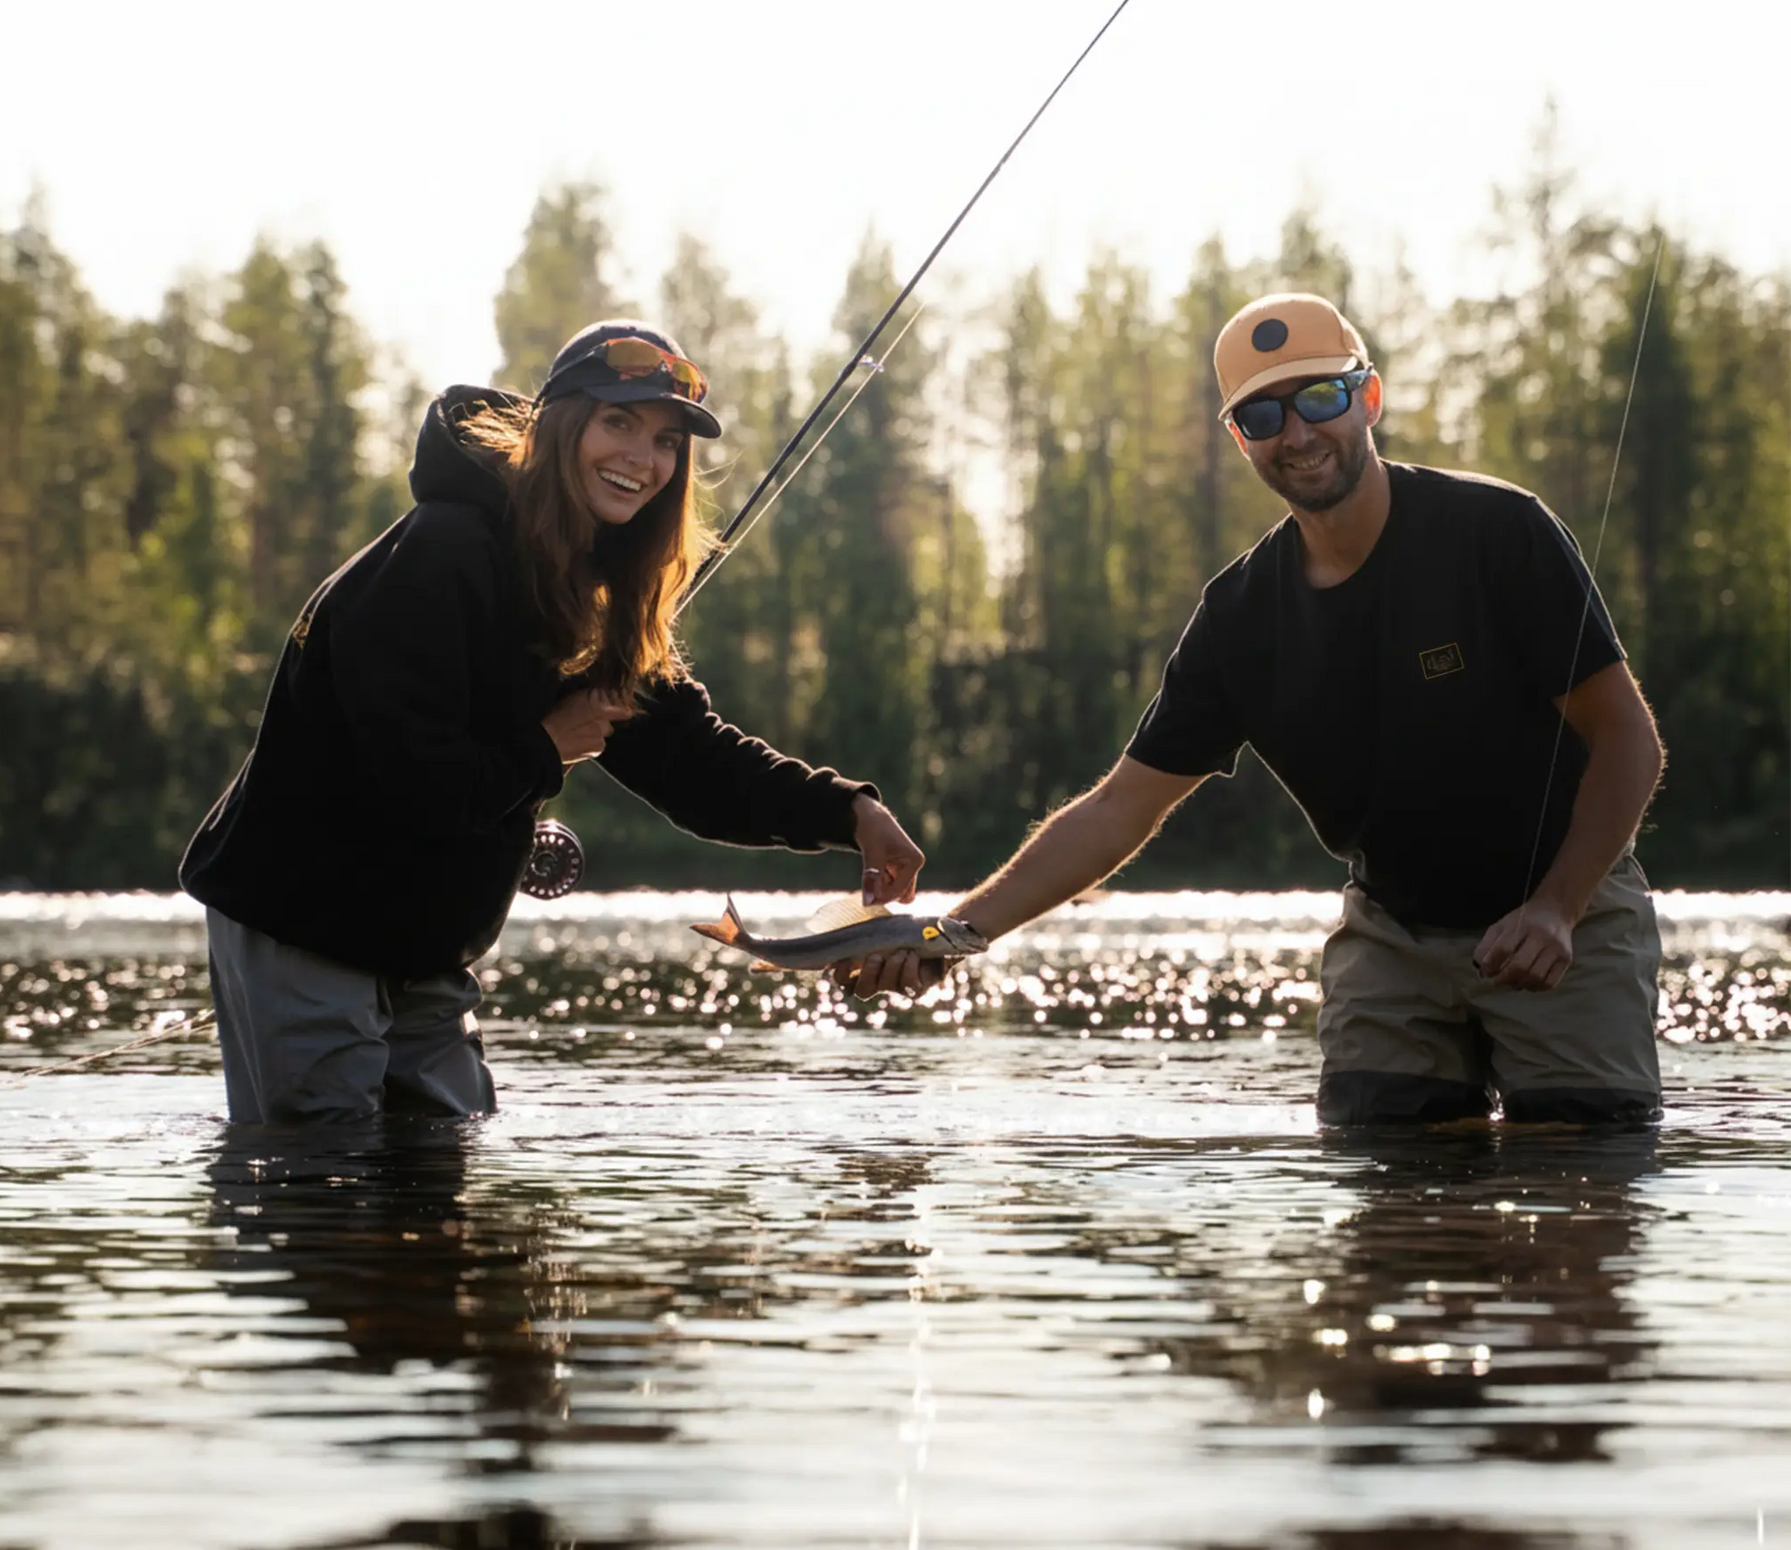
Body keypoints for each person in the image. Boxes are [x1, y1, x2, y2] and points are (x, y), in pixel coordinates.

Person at [848, 292, 1666, 1127]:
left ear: (1369, 397)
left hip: (1567, 906)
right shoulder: (1239, 618)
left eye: (1320, 397)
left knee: (1577, 1171)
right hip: (1394, 934)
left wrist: (1558, 907)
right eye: (1264, 415)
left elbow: (1629, 740)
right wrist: (952, 935)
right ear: (1240, 439)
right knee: (1380, 1170)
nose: (1298, 433)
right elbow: (1120, 808)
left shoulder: (1499, 532)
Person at [183, 321, 923, 1124]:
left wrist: (849, 812)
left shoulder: (597, 590)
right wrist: (542, 749)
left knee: (446, 1156)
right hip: (305, 912)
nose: (643, 459)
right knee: (321, 1169)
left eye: (666, 442)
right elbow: (398, 774)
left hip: (423, 942)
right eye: (619, 423)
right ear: (560, 425)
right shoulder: (443, 551)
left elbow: (692, 762)